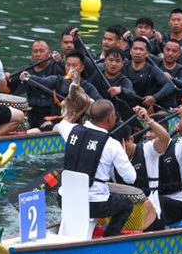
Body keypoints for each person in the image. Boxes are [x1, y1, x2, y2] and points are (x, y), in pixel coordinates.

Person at [55, 99, 136, 237]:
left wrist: (74, 108)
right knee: (126, 204)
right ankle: (110, 238)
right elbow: (131, 178)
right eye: (115, 115)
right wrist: (123, 155)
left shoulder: (70, 130)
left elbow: (61, 123)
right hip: (93, 205)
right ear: (110, 116)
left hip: (64, 199)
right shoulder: (113, 145)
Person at [5, 38, 62, 129]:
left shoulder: (57, 67)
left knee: (47, 127)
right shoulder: (26, 69)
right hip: (32, 113)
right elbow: (8, 88)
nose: (38, 54)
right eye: (35, 51)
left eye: (41, 51)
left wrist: (61, 62)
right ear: (31, 54)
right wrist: (5, 77)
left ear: (49, 53)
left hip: (53, 114)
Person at [123, 37, 176, 112]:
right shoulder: (123, 66)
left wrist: (154, 97)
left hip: (145, 108)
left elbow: (170, 85)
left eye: (141, 49)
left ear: (147, 53)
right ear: (130, 51)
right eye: (135, 49)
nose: (138, 52)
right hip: (127, 106)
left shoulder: (152, 70)